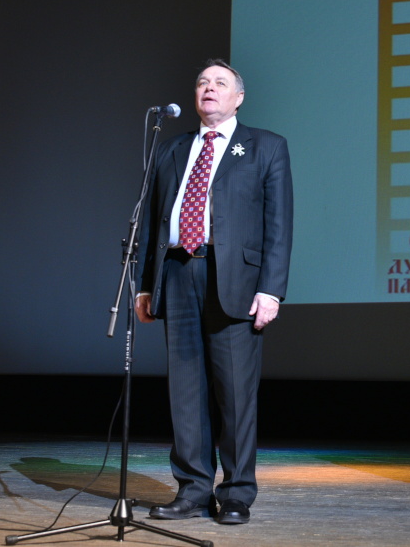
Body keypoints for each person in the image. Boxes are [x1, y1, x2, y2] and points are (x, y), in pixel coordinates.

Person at [134, 59, 293, 525]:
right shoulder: (171, 148)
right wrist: (146, 284)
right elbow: (154, 220)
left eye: (220, 83)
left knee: (236, 394)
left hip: (236, 282)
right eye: (203, 82)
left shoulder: (266, 146)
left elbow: (279, 225)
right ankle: (193, 489)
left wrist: (271, 290)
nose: (209, 88)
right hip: (177, 274)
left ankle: (237, 493)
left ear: (238, 98)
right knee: (185, 391)